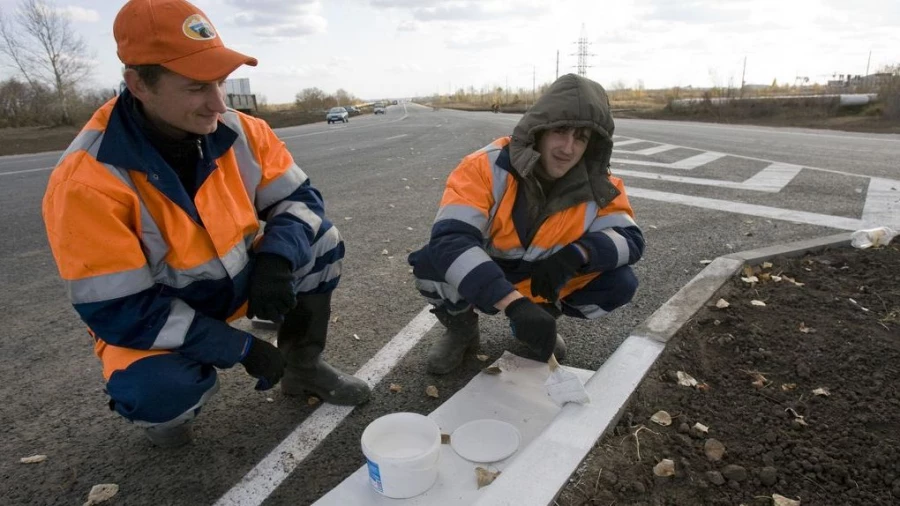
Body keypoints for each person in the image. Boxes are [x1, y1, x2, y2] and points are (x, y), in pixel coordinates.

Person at [41, 0, 369, 448]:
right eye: (197, 87)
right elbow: (118, 311)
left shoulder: (242, 130)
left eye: (220, 81)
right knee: (159, 393)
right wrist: (242, 349)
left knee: (321, 240)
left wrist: (275, 259)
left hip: (235, 287)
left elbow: (300, 199)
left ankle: (302, 369)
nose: (218, 103)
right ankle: (167, 415)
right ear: (139, 84)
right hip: (158, 315)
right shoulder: (86, 182)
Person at [408, 74, 645, 374]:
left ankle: (542, 319)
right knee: (432, 263)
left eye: (581, 138)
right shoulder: (484, 166)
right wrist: (513, 304)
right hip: (487, 273)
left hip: (546, 278)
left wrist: (578, 255)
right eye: (560, 131)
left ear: (592, 146)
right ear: (539, 130)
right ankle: (462, 329)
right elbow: (450, 239)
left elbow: (631, 239)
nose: (568, 148)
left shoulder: (602, 186)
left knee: (620, 283)